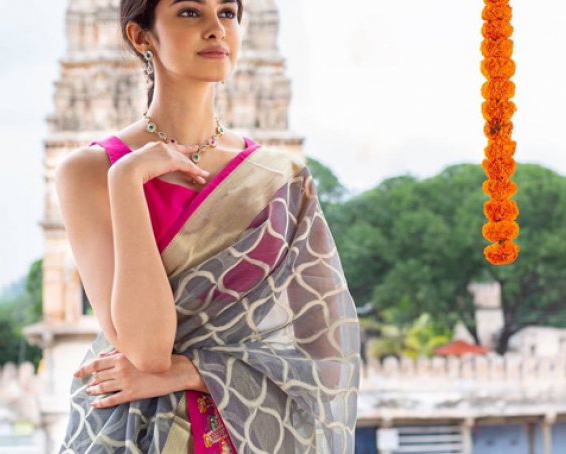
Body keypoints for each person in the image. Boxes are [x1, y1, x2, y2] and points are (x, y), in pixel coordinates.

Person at [55, 0, 361, 452]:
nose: (216, 28)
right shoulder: (91, 171)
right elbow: (147, 351)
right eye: (189, 12)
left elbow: (328, 360)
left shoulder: (280, 178)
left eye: (228, 13)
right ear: (141, 36)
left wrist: (193, 372)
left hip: (249, 434)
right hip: (133, 435)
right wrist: (127, 180)